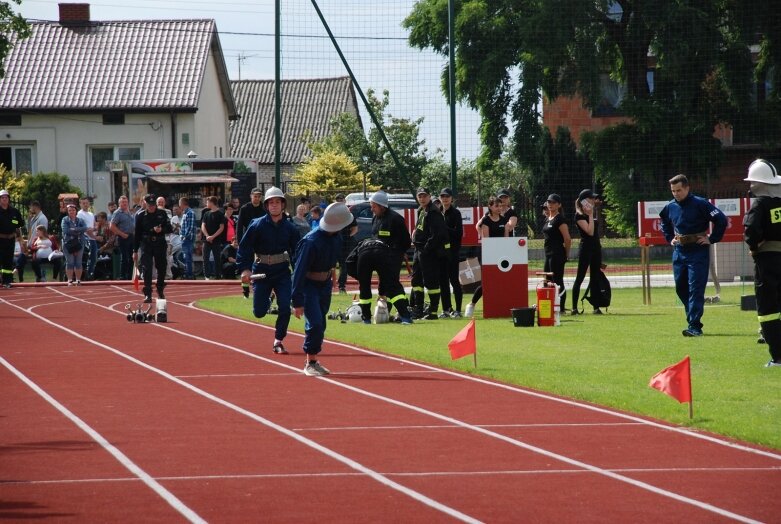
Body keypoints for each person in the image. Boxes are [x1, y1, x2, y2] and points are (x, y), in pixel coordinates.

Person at [291, 202, 355, 376]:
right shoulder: (310, 242)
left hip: (324, 284)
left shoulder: (336, 237)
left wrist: (331, 276)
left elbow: (332, 260)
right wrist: (296, 301)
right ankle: (310, 362)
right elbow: (299, 271)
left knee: (321, 322)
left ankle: (313, 359)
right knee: (316, 323)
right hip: (308, 285)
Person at [659, 174, 727, 337]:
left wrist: (711, 239)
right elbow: (664, 222)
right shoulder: (670, 206)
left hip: (698, 250)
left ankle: (694, 326)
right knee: (680, 287)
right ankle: (692, 317)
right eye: (673, 191)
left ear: (687, 188)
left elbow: (721, 220)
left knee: (696, 289)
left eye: (679, 190)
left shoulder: (700, 203)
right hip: (679, 251)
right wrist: (670, 238)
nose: (676, 194)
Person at [236, 187, 300, 354]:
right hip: (261, 271)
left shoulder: (290, 228)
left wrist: (299, 271)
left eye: (277, 202)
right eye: (271, 202)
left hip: (282, 272)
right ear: (266, 205)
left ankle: (278, 340)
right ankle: (266, 299)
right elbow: (245, 247)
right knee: (259, 312)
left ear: (283, 205)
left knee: (285, 307)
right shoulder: (256, 225)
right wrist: (244, 269)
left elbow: (297, 252)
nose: (274, 206)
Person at [351, 191, 414, 324]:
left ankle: (403, 314)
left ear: (382, 206)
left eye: (374, 206)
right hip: (378, 256)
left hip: (393, 257)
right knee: (383, 286)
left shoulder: (395, 219)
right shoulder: (376, 218)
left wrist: (394, 253)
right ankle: (385, 312)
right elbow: (375, 236)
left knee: (392, 284)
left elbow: (405, 241)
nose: (372, 209)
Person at [742, 159, 781, 366]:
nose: (750, 187)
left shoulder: (759, 204)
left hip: (767, 263)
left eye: (753, 183)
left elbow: (751, 231)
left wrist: (754, 246)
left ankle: (778, 357)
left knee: (768, 311)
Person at [465, 196, 508, 318]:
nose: (499, 208)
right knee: (487, 282)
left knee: (500, 281)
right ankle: (472, 304)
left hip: (501, 255)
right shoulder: (486, 221)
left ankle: (498, 306)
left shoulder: (503, 220)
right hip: (488, 254)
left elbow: (506, 238)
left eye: (500, 206)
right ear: (490, 207)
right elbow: (487, 240)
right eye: (496, 206)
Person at [410, 187, 448, 319]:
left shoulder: (434, 212)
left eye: (424, 196)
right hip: (418, 250)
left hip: (428, 252)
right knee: (416, 280)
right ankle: (418, 308)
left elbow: (437, 234)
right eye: (419, 196)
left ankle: (433, 312)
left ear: (430, 196)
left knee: (431, 282)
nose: (422, 198)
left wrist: (426, 248)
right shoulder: (421, 210)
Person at [132, 194, 172, 303]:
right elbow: (137, 235)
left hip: (159, 243)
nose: (152, 207)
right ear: (145, 204)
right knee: (147, 268)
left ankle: (160, 289)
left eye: (153, 205)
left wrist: (161, 229)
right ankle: (148, 293)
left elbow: (170, 228)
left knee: (162, 267)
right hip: (146, 244)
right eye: (150, 205)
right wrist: (135, 251)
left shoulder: (162, 213)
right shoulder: (140, 216)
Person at [571, 189, 604, 315]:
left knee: (595, 277)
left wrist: (592, 213)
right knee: (580, 277)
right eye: (591, 199)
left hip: (596, 248)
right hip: (586, 249)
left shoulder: (592, 213)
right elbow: (589, 232)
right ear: (584, 201)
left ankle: (596, 307)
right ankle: (574, 307)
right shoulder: (579, 216)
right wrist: (590, 214)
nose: (593, 201)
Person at [542, 193, 571, 313]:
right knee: (547, 281)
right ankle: (550, 306)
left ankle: (561, 308)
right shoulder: (548, 218)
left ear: (559, 205)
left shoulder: (560, 219)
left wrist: (566, 254)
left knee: (557, 281)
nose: (550, 204)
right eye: (549, 202)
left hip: (557, 254)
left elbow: (567, 239)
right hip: (548, 254)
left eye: (553, 202)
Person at [439, 187, 463, 318]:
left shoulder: (456, 213)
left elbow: (458, 233)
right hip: (440, 252)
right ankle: (446, 310)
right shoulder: (437, 212)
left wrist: (444, 228)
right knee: (443, 282)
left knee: (454, 280)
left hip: (453, 252)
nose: (445, 199)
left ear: (451, 198)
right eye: (442, 196)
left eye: (447, 196)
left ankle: (458, 310)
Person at [334, 193, 357, 293]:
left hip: (346, 243)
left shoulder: (349, 214)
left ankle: (341, 286)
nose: (339, 201)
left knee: (344, 265)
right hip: (334, 242)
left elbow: (355, 228)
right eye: (338, 199)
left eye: (341, 199)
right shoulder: (332, 213)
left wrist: (348, 236)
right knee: (328, 264)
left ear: (344, 201)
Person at [61, 203, 88, 286]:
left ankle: (78, 280)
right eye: (69, 210)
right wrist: (78, 231)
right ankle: (70, 280)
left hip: (79, 243)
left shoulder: (80, 220)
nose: (71, 212)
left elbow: (85, 228)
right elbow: (66, 230)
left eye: (73, 210)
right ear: (67, 212)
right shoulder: (65, 220)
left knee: (78, 262)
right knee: (70, 262)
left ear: (76, 211)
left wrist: (74, 229)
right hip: (68, 243)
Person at [109, 196, 135, 280]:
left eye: (126, 202)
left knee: (132, 258)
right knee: (125, 258)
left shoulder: (128, 211)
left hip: (131, 237)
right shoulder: (117, 213)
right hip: (123, 237)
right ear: (119, 203)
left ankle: (130, 276)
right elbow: (112, 226)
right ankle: (123, 276)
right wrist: (122, 234)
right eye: (123, 202)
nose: (125, 203)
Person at [200, 196, 226, 280]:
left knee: (217, 258)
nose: (206, 204)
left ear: (211, 202)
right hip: (206, 239)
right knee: (205, 258)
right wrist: (207, 236)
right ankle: (206, 276)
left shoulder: (220, 214)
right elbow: (203, 226)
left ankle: (218, 275)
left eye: (207, 202)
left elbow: (221, 227)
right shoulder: (206, 213)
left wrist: (213, 237)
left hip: (216, 240)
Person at [77, 196, 98, 280]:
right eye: (83, 203)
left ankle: (90, 274)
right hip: (86, 239)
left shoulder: (91, 214)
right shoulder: (80, 214)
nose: (85, 205)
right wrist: (95, 236)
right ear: (80, 204)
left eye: (87, 203)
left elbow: (94, 225)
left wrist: (94, 229)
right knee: (86, 258)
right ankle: (85, 275)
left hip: (92, 238)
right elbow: (85, 229)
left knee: (93, 258)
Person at [178, 197, 196, 279]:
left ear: (183, 203)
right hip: (184, 239)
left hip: (187, 239)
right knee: (185, 257)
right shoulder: (185, 213)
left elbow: (190, 227)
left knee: (187, 257)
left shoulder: (190, 213)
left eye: (179, 203)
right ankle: (188, 273)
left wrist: (184, 237)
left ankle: (190, 274)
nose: (179, 205)